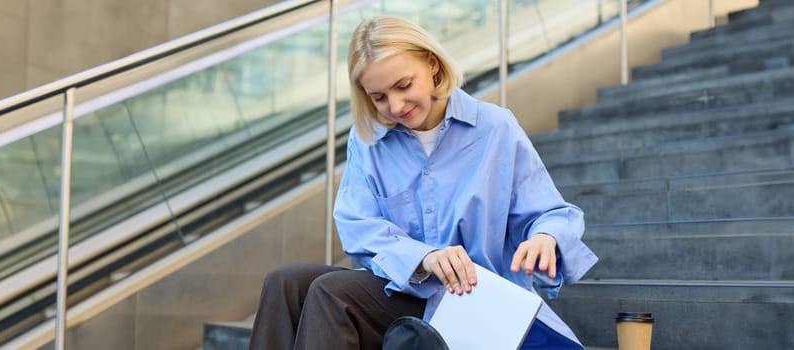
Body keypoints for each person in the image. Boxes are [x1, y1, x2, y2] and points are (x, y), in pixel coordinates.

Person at [248, 15, 598, 349]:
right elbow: (358, 226)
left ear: (432, 64)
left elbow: (552, 212)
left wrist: (544, 236)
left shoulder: (495, 128)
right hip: (404, 291)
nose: (395, 106)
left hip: (475, 302)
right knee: (284, 281)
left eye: (403, 85)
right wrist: (424, 258)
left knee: (332, 291)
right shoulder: (367, 141)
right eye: (378, 97)